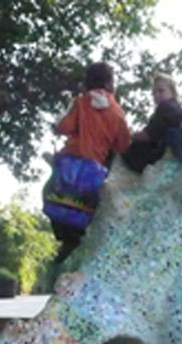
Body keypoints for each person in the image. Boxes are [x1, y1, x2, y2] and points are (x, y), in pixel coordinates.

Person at [45, 62, 132, 263]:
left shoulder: (81, 102)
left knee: (52, 197)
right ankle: (76, 242)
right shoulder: (117, 112)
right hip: (94, 169)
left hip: (70, 162)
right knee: (84, 208)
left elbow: (63, 127)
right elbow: (123, 145)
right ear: (110, 83)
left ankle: (65, 241)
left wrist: (57, 124)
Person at [121, 73, 182, 174]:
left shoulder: (166, 108)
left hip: (154, 156)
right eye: (154, 92)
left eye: (161, 91)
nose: (156, 95)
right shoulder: (174, 108)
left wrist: (129, 135)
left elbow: (147, 136)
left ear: (173, 92)